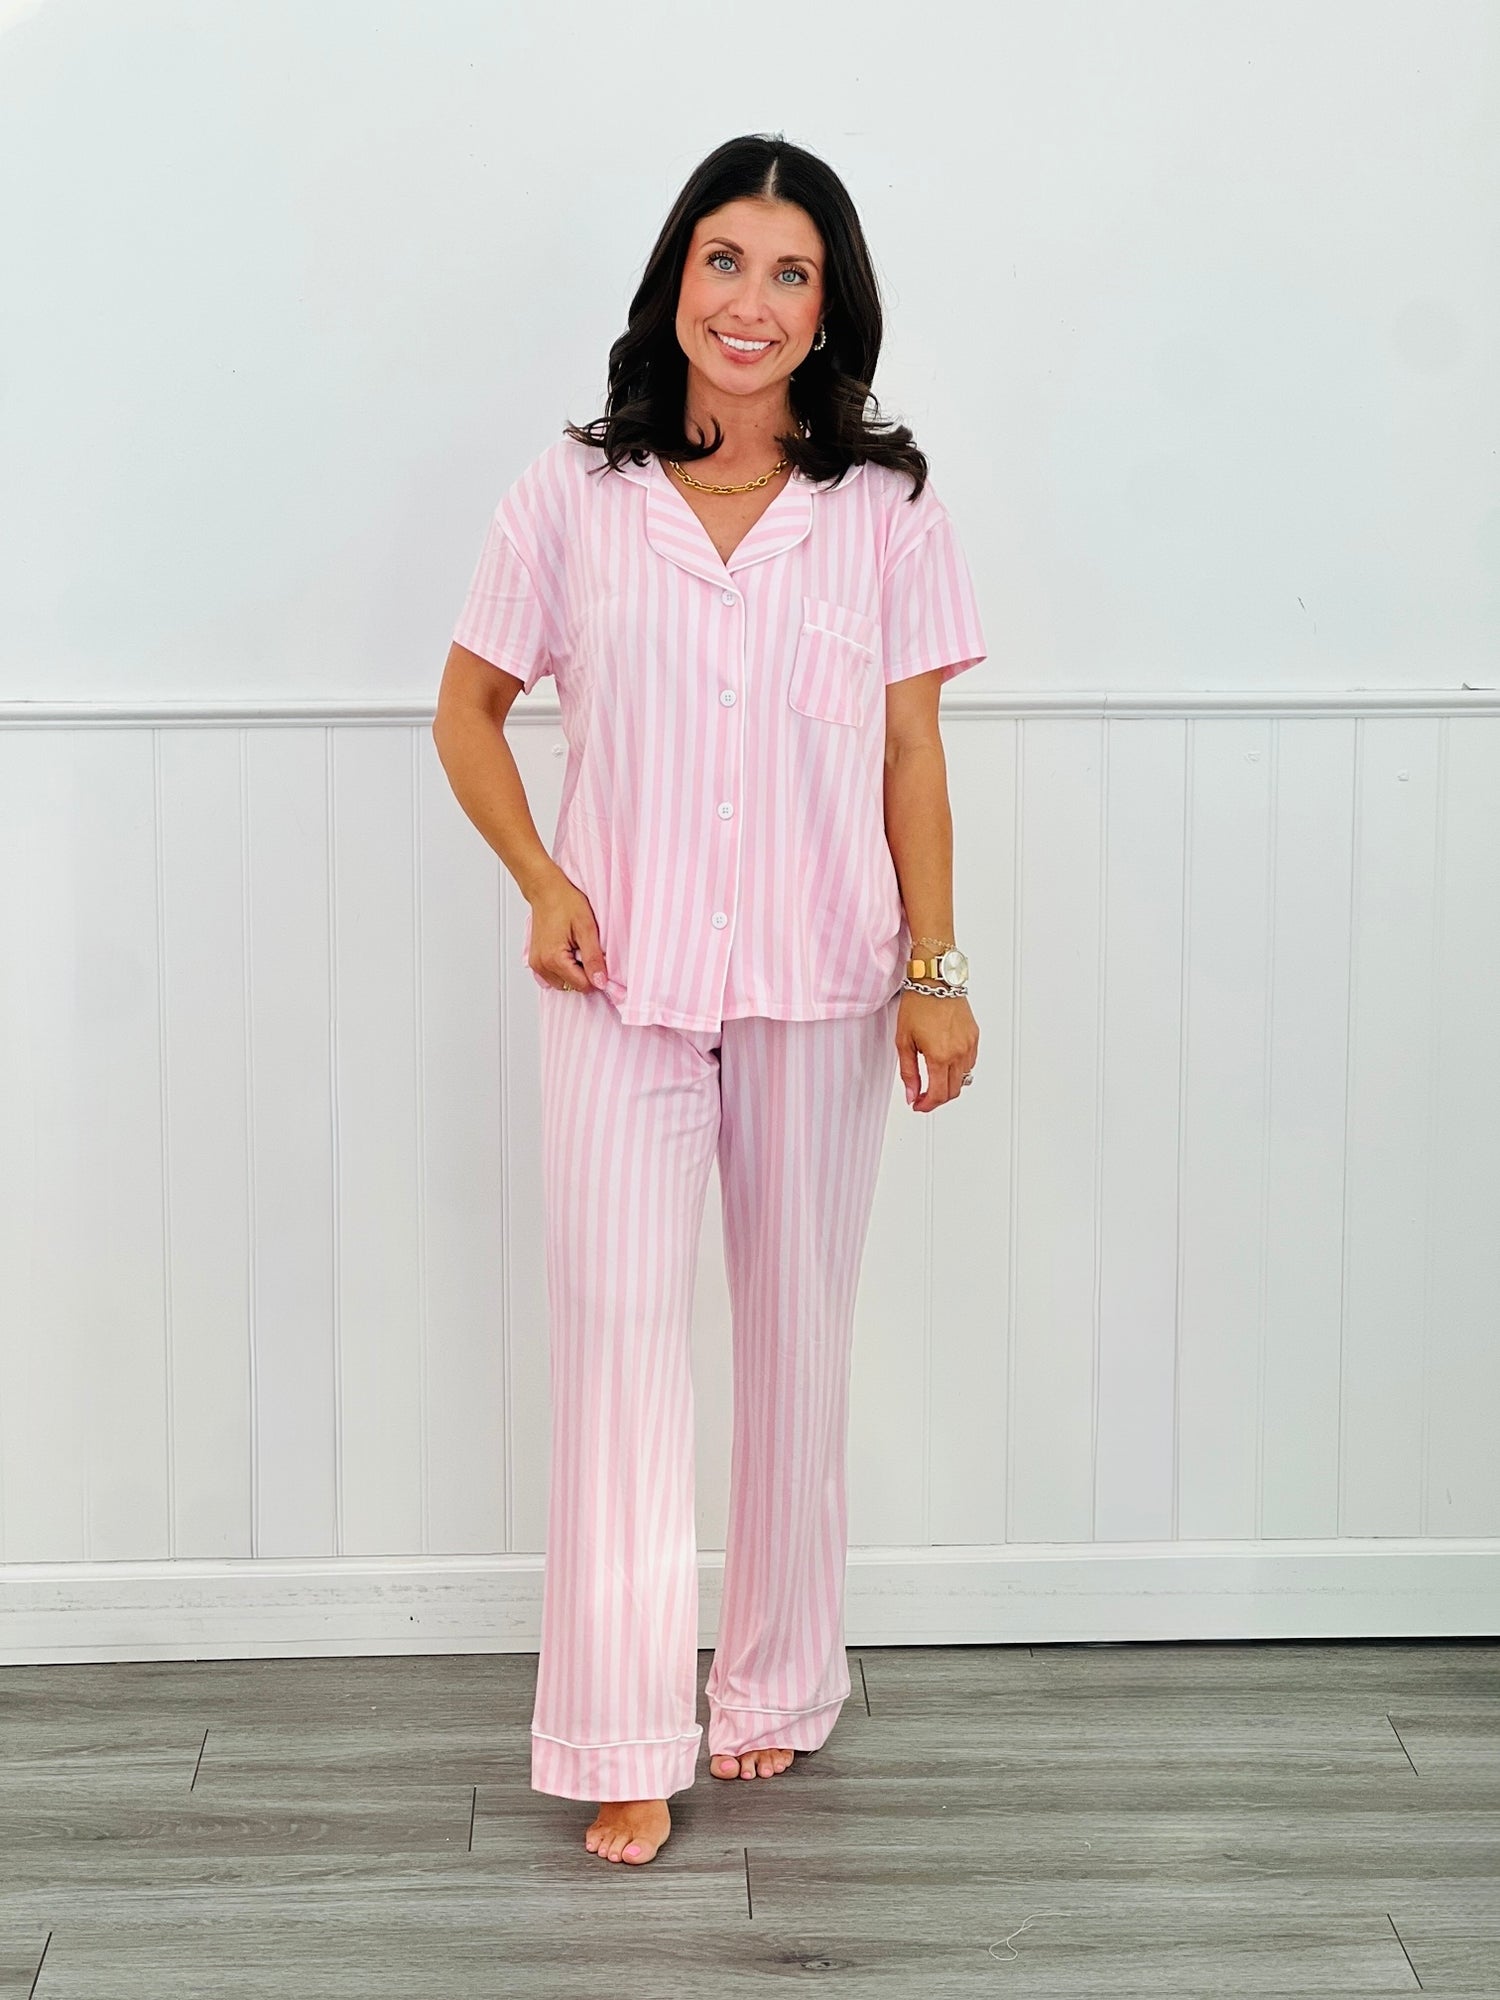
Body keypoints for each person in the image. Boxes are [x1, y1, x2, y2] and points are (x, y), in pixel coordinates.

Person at [432, 132, 987, 1867]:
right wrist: (544, 880)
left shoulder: (885, 509)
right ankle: (620, 1731)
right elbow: (466, 711)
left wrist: (938, 969)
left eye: (791, 272)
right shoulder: (572, 495)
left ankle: (775, 1684)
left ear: (830, 311)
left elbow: (910, 752)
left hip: (824, 982)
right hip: (623, 981)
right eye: (725, 261)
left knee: (798, 1338)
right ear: (677, 278)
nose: (752, 302)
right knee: (616, 1342)